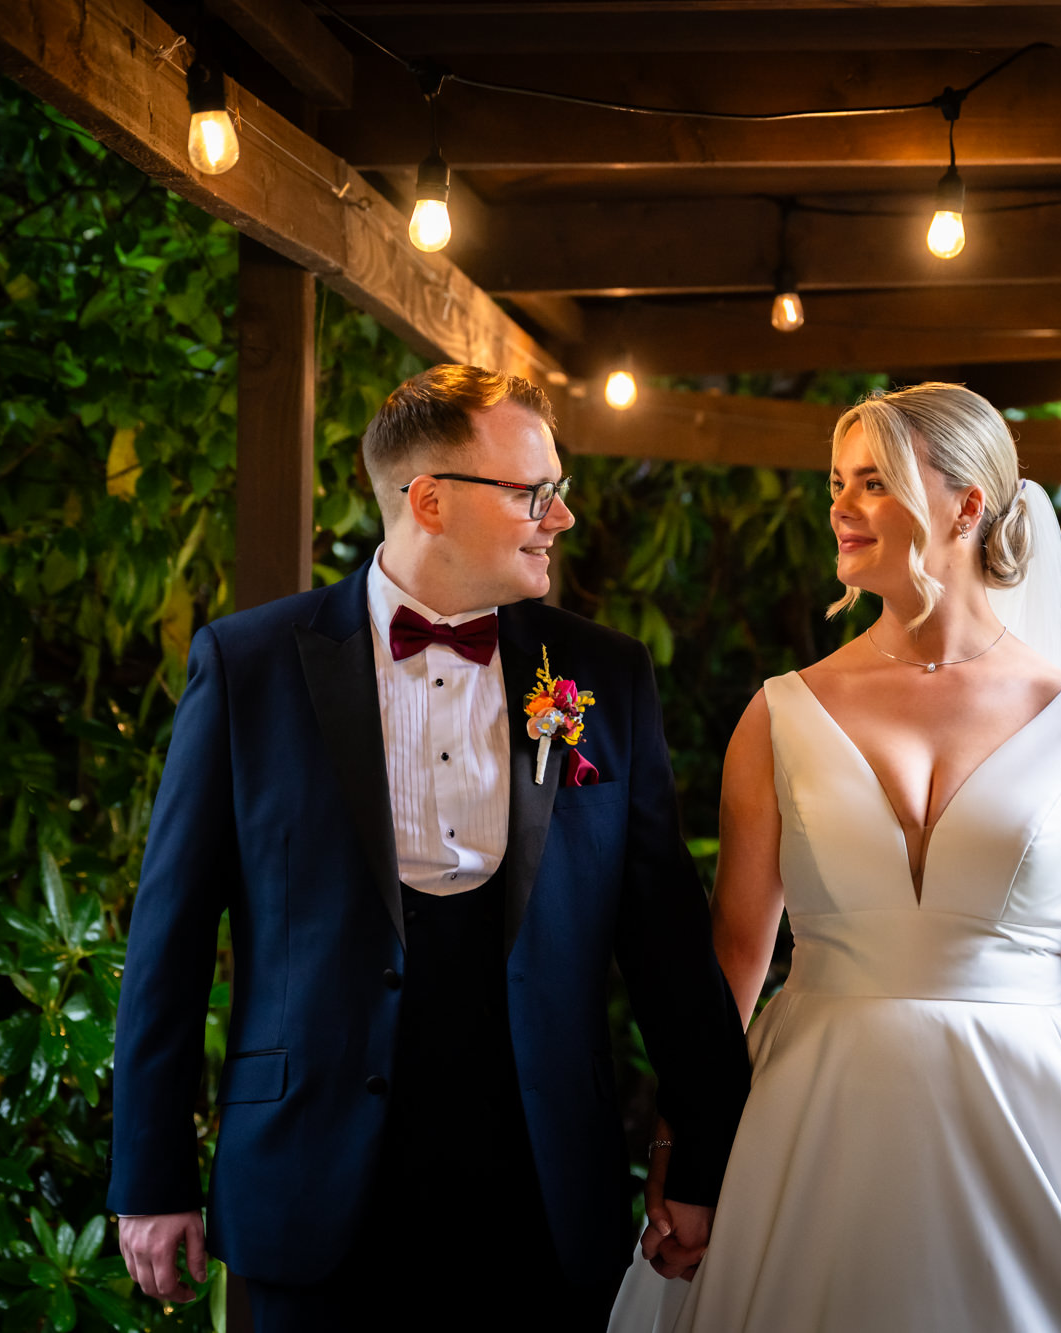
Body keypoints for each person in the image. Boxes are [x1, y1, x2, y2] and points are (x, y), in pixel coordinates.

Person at [107, 364, 751, 1330]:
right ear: (431, 500)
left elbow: (664, 940)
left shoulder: (603, 676)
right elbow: (170, 937)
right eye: (535, 493)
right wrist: (149, 1175)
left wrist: (702, 1158)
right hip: (309, 1175)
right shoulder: (249, 665)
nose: (560, 517)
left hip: (540, 1180)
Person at [610, 382, 1061, 1331]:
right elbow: (733, 953)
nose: (842, 506)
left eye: (874, 481)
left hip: (1036, 1124)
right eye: (837, 482)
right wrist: (683, 1156)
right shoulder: (780, 711)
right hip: (811, 1123)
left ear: (967, 505)